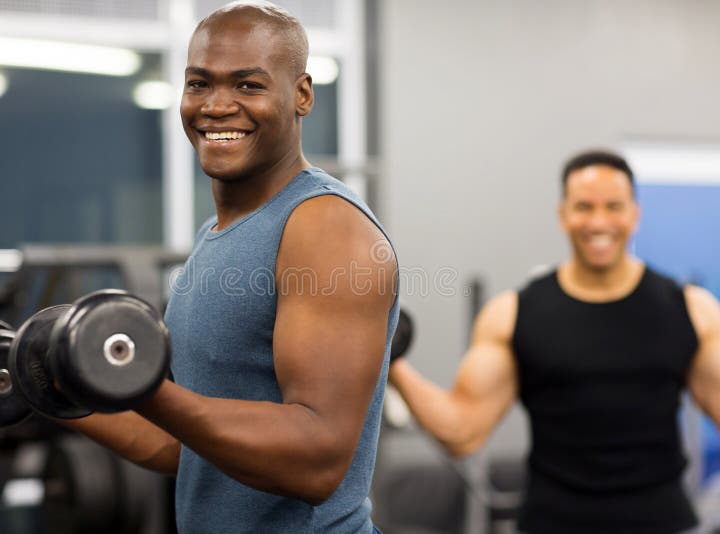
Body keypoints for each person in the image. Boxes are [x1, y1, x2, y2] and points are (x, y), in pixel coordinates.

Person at [62, 2, 399, 533]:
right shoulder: (216, 235)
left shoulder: (326, 229)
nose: (216, 106)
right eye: (199, 84)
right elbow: (183, 444)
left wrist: (142, 386)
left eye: (248, 86)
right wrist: (58, 388)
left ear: (302, 95)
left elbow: (318, 458)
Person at [389, 150, 720, 534]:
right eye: (584, 206)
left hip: (664, 524)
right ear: (563, 213)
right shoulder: (513, 315)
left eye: (613, 206)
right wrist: (390, 359)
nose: (599, 221)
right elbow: (462, 433)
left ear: (634, 213)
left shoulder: (691, 311)